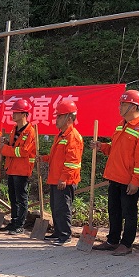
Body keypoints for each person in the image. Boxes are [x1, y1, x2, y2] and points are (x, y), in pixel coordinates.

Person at [92, 89, 139, 256]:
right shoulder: (122, 125)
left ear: (134, 107)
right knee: (114, 211)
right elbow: (116, 149)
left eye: (123, 104)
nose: (119, 107)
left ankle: (126, 244)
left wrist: (136, 181)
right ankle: (113, 240)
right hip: (115, 176)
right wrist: (102, 146)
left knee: (129, 213)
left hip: (129, 180)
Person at [42, 99, 83, 245]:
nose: (57, 119)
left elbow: (72, 161)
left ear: (69, 118)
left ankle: (65, 235)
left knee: (63, 208)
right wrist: (44, 158)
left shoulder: (73, 137)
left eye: (60, 116)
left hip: (65, 180)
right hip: (56, 178)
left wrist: (64, 178)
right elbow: (57, 157)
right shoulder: (61, 135)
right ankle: (58, 232)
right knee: (56, 207)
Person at [0, 99, 37, 234]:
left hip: (22, 169)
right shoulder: (14, 130)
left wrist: (5, 149)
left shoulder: (30, 132)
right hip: (12, 168)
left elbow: (23, 151)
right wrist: (6, 143)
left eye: (16, 112)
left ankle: (20, 224)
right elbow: (14, 147)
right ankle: (14, 221)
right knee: (13, 197)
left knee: (21, 198)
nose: (13, 115)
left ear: (24, 114)